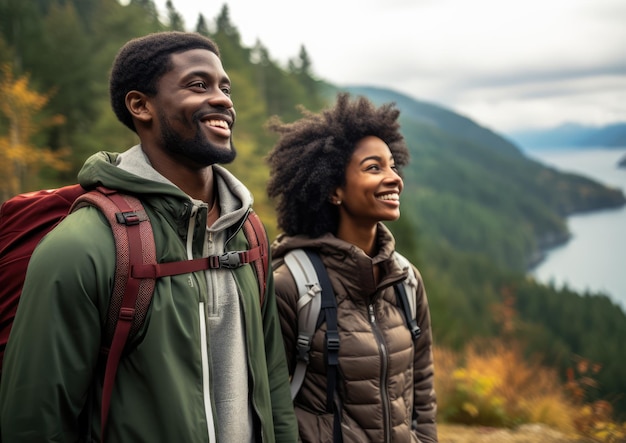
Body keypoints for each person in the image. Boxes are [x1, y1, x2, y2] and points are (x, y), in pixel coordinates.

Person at [0, 31, 298, 442]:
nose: (224, 100)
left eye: (224, 87)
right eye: (199, 85)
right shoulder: (83, 247)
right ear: (141, 106)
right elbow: (35, 421)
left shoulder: (248, 235)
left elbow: (273, 388)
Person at [266, 92, 438, 442]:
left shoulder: (406, 280)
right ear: (334, 190)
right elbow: (269, 399)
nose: (394, 178)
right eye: (374, 168)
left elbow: (422, 384)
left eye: (392, 165)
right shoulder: (291, 285)